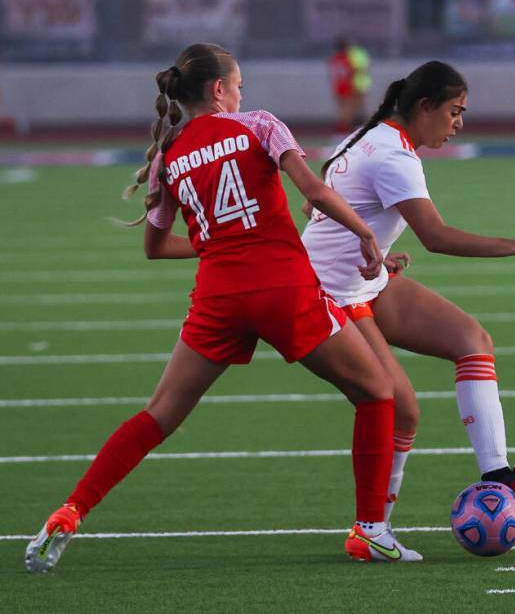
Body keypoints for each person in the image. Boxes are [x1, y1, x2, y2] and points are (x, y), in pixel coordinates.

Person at [25, 43, 421, 573]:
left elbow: (156, 247)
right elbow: (315, 190)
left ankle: (70, 511)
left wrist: (226, 240)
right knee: (376, 392)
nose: (242, 94)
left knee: (158, 415)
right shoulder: (258, 125)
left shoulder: (171, 154)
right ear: (218, 90)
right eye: (237, 85)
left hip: (218, 296)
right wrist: (365, 236)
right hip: (281, 289)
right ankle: (372, 530)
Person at [300, 61, 515, 531]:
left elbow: (320, 203)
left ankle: (498, 473)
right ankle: (372, 532)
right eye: (454, 112)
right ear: (424, 106)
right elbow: (435, 237)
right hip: (330, 294)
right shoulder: (391, 154)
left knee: (471, 339)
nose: (459, 124)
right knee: (402, 410)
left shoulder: (370, 135)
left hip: (364, 281)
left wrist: (378, 253)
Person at [328, 37, 371, 134]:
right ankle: (347, 131)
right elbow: (352, 71)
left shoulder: (334, 59)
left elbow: (331, 73)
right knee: (351, 111)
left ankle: (344, 131)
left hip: (339, 85)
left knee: (343, 110)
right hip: (348, 85)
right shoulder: (347, 58)